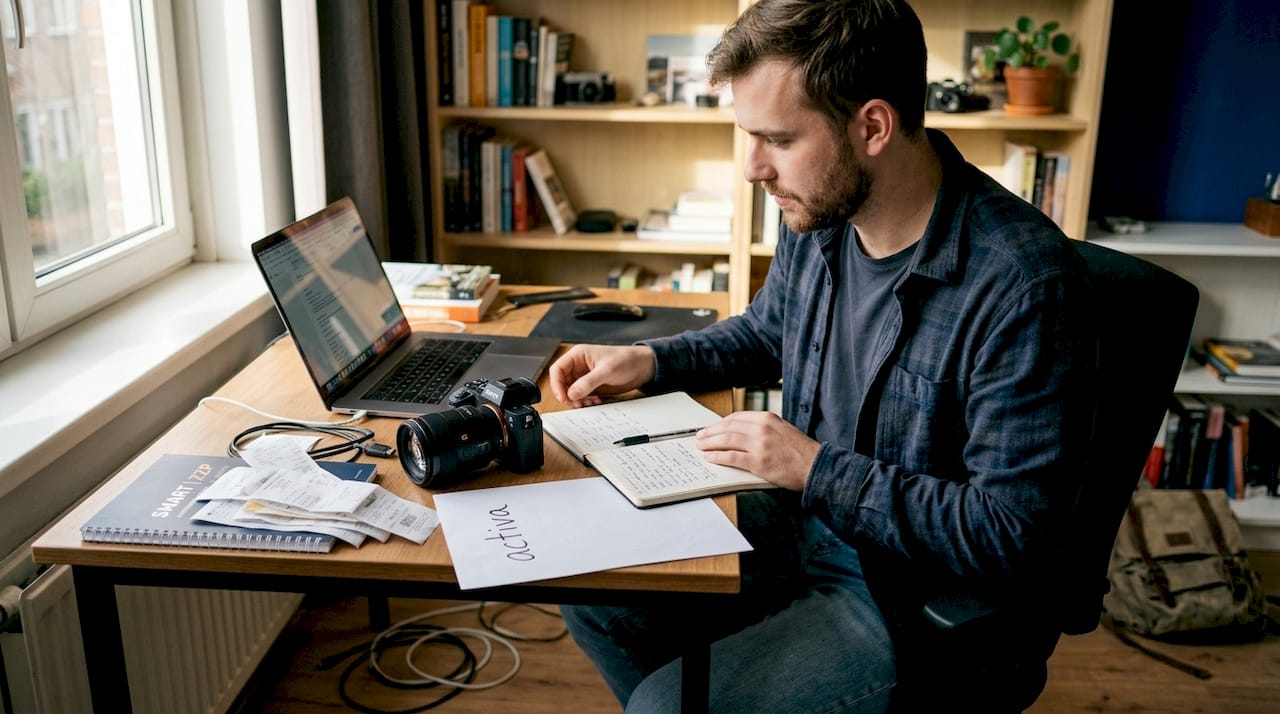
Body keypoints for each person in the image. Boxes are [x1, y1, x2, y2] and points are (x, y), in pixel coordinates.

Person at [548, 0, 1098, 710]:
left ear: (872, 126)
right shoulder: (824, 213)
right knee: (594, 593)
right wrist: (648, 361)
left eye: (776, 138)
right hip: (806, 520)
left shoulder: (1022, 284)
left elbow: (1012, 533)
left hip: (908, 593)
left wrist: (813, 467)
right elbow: (768, 332)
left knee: (662, 704)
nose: (753, 168)